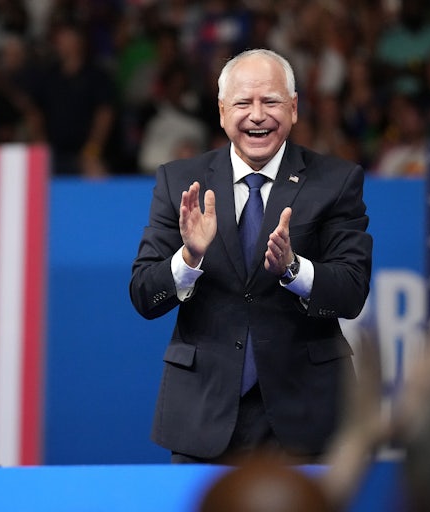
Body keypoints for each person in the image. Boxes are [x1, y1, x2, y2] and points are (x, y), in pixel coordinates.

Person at [129, 48, 373, 464]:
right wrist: (189, 257)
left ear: (293, 108)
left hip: (307, 415)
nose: (257, 115)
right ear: (222, 111)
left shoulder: (336, 181)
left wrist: (293, 270)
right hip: (202, 415)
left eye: (270, 101)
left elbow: (351, 292)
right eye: (243, 102)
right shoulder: (179, 181)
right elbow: (143, 295)